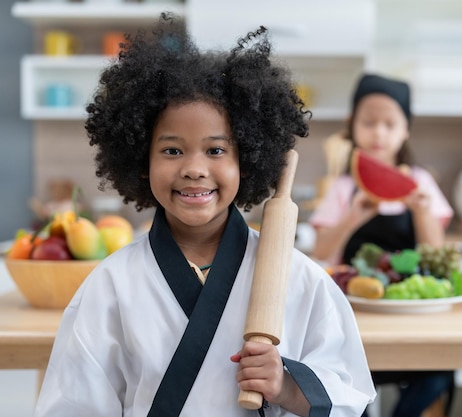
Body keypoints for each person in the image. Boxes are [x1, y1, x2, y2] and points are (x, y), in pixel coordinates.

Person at [34, 14, 376, 417]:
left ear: (246, 161)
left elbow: (348, 396)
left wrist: (286, 385)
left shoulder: (301, 279)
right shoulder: (111, 286)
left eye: (216, 150)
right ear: (141, 160)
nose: (194, 168)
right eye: (172, 150)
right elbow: (74, 406)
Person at [309, 73, 455, 417]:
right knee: (346, 380)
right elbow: (322, 252)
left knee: (439, 373)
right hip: (356, 318)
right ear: (351, 125)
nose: (379, 133)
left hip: (412, 317)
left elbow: (436, 254)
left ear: (406, 129)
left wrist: (420, 210)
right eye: (369, 122)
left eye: (390, 124)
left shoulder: (421, 182)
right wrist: (353, 216)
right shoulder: (344, 186)